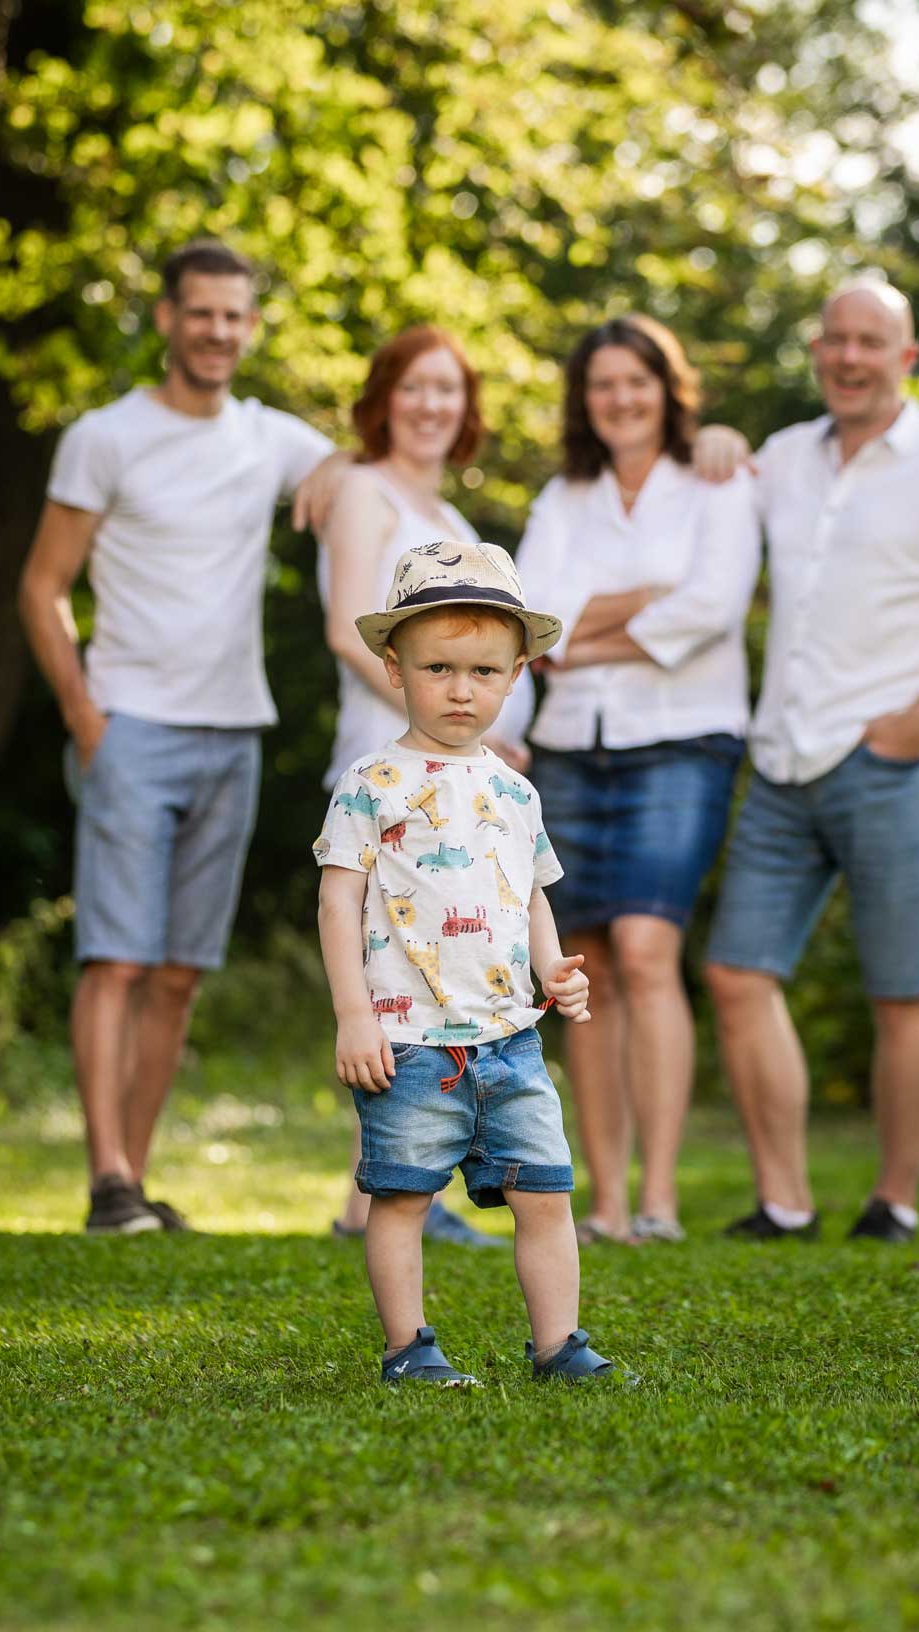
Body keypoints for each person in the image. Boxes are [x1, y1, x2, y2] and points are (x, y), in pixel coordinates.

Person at [18, 238, 344, 1233]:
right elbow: (42, 588)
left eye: (234, 316)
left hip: (232, 731)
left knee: (178, 974)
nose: (217, 331)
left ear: (251, 327)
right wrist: (84, 715)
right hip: (131, 726)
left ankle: (135, 1183)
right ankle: (105, 1174)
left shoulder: (270, 439)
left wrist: (348, 487)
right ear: (166, 319)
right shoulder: (104, 437)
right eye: (200, 313)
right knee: (115, 959)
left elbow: (364, 469)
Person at [699, 279, 919, 1243]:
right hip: (782, 758)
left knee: (900, 988)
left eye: (870, 342)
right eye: (834, 340)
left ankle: (893, 1202)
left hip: (891, 760)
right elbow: (710, 505)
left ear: (906, 356)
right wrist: (715, 446)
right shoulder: (781, 459)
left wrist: (915, 723)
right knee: (736, 973)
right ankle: (785, 1201)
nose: (849, 357)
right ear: (816, 351)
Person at [315, 540, 624, 1383]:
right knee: (403, 1196)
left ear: (516, 675)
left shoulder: (515, 791)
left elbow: (530, 893)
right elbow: (338, 901)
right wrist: (352, 1014)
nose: (461, 689)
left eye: (484, 671)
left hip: (509, 1040)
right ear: (395, 667)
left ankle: (560, 1346)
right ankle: (408, 1349)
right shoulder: (372, 781)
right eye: (439, 667)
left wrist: (553, 969)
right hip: (406, 1039)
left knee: (546, 1195)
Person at [515, 316, 761, 1244]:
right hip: (574, 746)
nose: (621, 399)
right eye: (603, 384)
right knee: (590, 971)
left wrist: (581, 633)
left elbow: (713, 606)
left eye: (638, 381)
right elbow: (531, 624)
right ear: (585, 400)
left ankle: (657, 1202)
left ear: (669, 387)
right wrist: (641, 601)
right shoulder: (564, 494)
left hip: (683, 740)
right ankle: (605, 1202)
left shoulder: (716, 478)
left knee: (652, 953)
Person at [319, 324, 531, 1248]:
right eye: (414, 387)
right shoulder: (364, 492)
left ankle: (381, 1193)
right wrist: (436, 747)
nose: (432, 405)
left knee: (439, 967)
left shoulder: (444, 519)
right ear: (383, 399)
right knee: (392, 973)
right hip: (395, 774)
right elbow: (343, 627)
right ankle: (389, 1190)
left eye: (449, 389)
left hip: (463, 783)